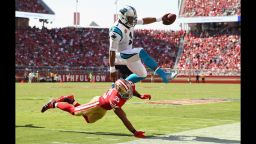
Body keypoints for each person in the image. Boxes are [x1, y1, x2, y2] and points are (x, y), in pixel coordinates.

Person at [41, 78, 151, 138]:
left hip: (103, 108)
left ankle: (71, 100)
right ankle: (53, 104)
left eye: (128, 91)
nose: (127, 94)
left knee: (88, 120)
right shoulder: (114, 99)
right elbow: (123, 118)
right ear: (118, 90)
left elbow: (132, 90)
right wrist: (134, 132)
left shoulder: (128, 86)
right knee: (74, 112)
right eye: (124, 92)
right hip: (97, 103)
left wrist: (140, 96)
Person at [109, 5, 178, 83]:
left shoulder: (128, 22)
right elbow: (112, 51)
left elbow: (144, 21)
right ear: (123, 18)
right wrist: (112, 69)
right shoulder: (116, 30)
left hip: (129, 54)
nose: (133, 20)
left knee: (142, 74)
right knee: (141, 52)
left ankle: (117, 87)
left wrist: (160, 19)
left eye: (134, 18)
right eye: (131, 18)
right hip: (119, 56)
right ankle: (163, 74)